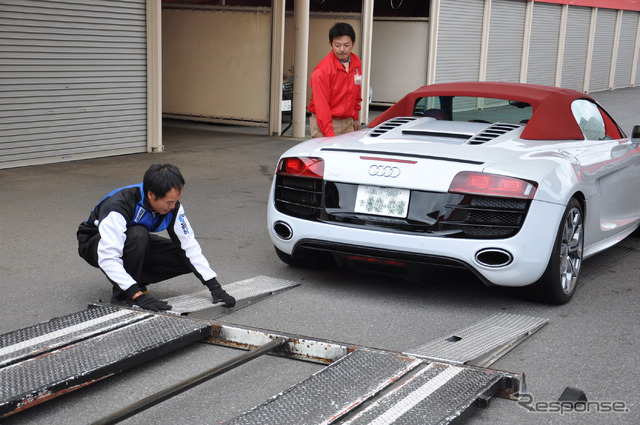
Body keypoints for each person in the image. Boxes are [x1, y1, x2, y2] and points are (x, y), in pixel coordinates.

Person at [77, 163, 235, 312]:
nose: (173, 207)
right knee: (138, 234)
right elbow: (108, 257)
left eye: (176, 201)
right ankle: (123, 296)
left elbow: (189, 247)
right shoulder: (119, 204)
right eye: (169, 202)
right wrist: (136, 295)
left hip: (133, 240)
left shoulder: (173, 207)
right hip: (94, 243)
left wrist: (214, 287)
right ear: (151, 195)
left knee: (184, 258)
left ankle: (134, 280)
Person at [308, 22, 363, 138]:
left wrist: (355, 118)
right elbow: (321, 107)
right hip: (327, 123)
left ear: (353, 44)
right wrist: (329, 135)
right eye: (337, 45)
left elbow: (356, 92)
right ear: (330, 44)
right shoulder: (322, 71)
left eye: (346, 45)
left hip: (348, 122)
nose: (342, 49)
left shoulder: (356, 63)